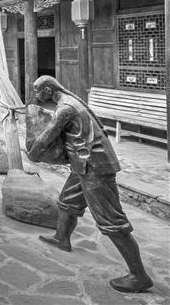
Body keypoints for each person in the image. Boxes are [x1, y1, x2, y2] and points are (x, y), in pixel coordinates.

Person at [28, 75, 153, 293]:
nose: (36, 95)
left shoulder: (66, 108)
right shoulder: (67, 103)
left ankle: (139, 276)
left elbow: (46, 137)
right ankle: (61, 238)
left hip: (95, 166)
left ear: (48, 90)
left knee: (111, 221)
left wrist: (32, 153)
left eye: (38, 91)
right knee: (67, 201)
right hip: (83, 164)